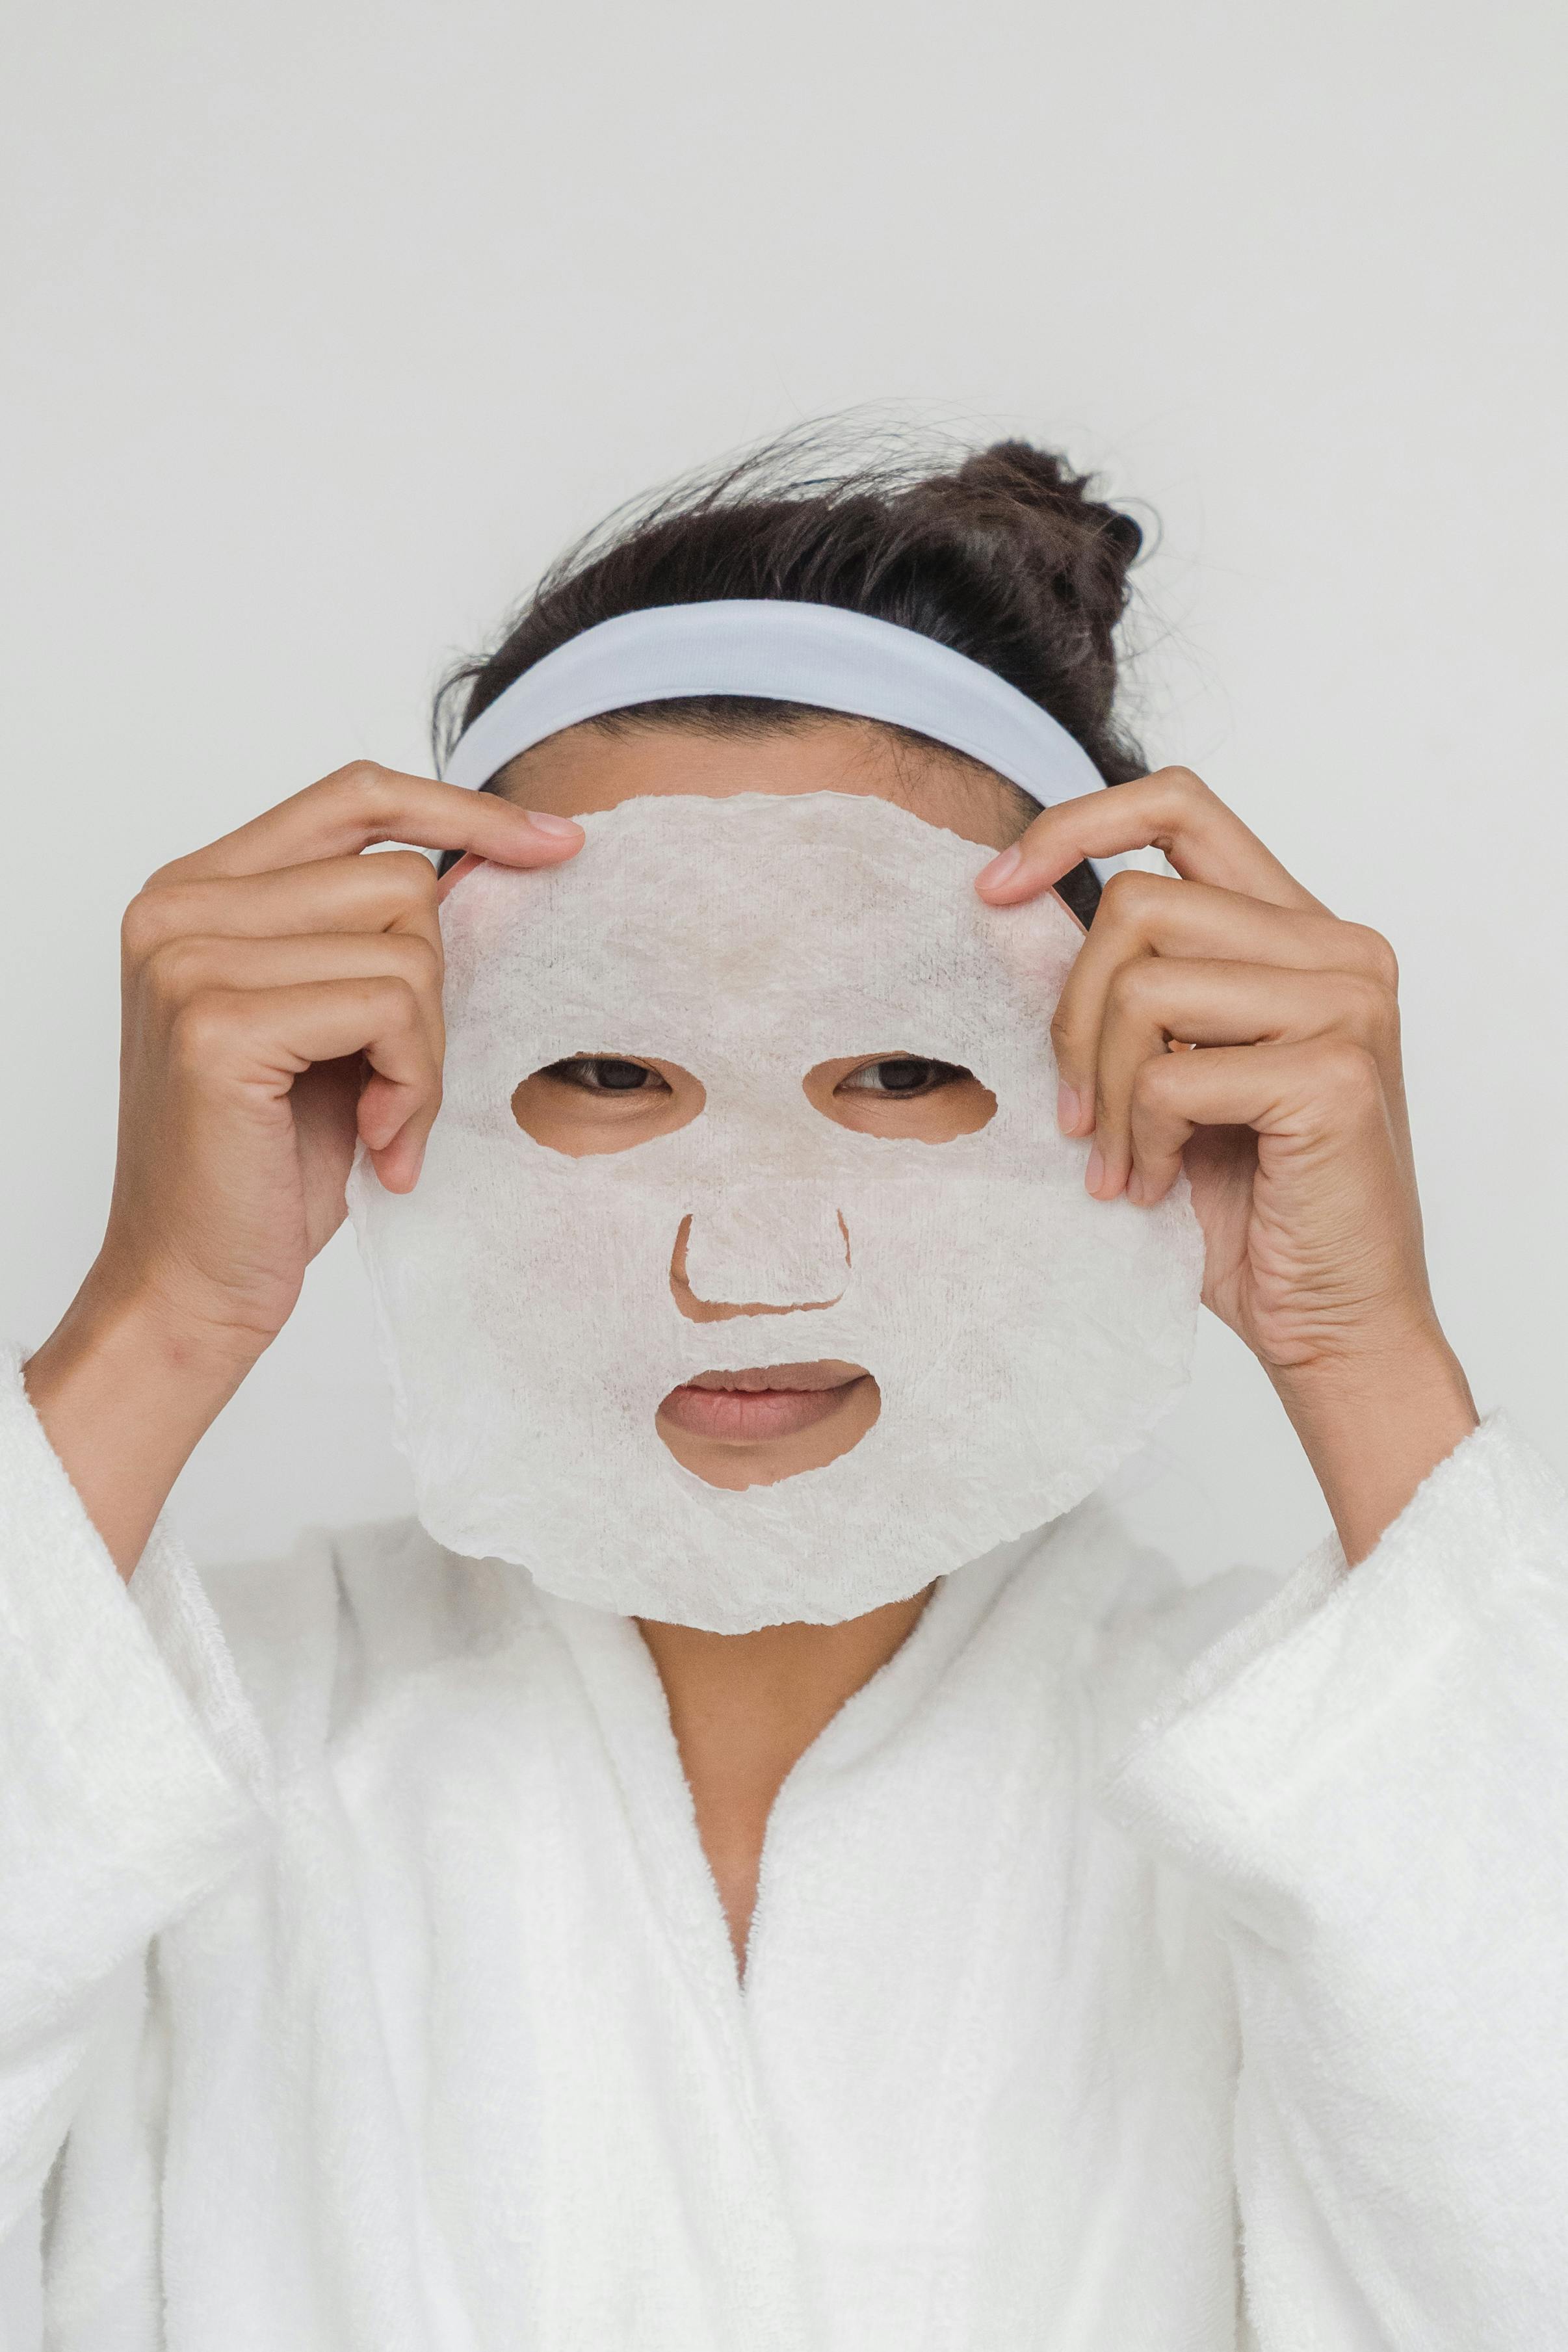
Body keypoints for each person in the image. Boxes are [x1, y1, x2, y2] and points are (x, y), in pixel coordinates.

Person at [5, 436, 1563, 2351]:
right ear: (400, 1062)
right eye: (606, 1069)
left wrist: (1362, 1359)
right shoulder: (186, 1754)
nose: (746, 1257)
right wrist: (161, 1312)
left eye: (903, 1071)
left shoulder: (1297, 1788)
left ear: (1136, 1060)